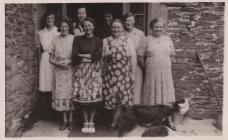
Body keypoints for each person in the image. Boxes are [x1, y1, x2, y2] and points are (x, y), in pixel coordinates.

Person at [102, 19, 137, 130]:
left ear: (122, 28)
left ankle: (121, 122)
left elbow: (132, 58)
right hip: (110, 75)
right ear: (110, 28)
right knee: (112, 100)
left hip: (124, 74)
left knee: (123, 99)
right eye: (113, 27)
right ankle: (114, 121)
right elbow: (103, 59)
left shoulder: (128, 41)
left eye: (118, 27)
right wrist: (101, 74)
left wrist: (133, 74)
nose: (116, 29)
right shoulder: (106, 41)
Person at [72, 18, 103, 134]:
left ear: (93, 26)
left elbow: (99, 55)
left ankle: (92, 121)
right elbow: (74, 56)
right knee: (84, 96)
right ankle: (85, 121)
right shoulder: (77, 39)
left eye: (90, 25)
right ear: (82, 27)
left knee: (93, 96)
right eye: (85, 26)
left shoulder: (98, 40)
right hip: (81, 71)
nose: (87, 28)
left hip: (94, 72)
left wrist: (83, 56)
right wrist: (91, 56)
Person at [138, 18, 176, 105]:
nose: (158, 29)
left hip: (165, 72)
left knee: (166, 92)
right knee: (152, 92)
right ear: (151, 27)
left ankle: (166, 113)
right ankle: (151, 114)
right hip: (151, 72)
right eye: (156, 27)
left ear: (163, 28)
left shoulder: (168, 39)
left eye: (160, 27)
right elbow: (140, 56)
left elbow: (172, 55)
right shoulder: (146, 39)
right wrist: (147, 67)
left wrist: (168, 65)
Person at [49, 17, 75, 130]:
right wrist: (58, 64)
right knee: (61, 94)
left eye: (66, 26)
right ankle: (64, 120)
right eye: (62, 26)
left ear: (69, 27)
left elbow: (76, 56)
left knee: (71, 93)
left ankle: (71, 119)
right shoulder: (55, 40)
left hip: (71, 70)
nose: (64, 28)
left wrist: (70, 62)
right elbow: (50, 58)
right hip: (59, 71)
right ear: (60, 27)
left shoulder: (74, 39)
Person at [37, 11, 60, 118]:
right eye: (48, 19)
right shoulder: (41, 33)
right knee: (45, 81)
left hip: (55, 57)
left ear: (54, 19)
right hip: (45, 57)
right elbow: (38, 48)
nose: (50, 20)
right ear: (45, 20)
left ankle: (56, 107)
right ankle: (47, 110)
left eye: (51, 18)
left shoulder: (58, 31)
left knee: (54, 81)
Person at [123, 12, 145, 104]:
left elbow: (141, 51)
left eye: (131, 20)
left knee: (136, 88)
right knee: (124, 87)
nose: (129, 23)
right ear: (124, 22)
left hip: (136, 65)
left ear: (134, 21)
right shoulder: (121, 33)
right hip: (123, 65)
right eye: (127, 20)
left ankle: (136, 110)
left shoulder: (140, 33)